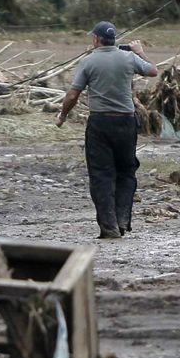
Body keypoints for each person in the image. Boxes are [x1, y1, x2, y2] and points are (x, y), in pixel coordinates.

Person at [57, 21, 158, 239]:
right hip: (126, 122)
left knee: (101, 174)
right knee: (126, 172)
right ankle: (122, 220)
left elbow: (73, 95)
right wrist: (141, 52)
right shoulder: (129, 58)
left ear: (95, 39)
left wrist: (62, 116)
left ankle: (109, 226)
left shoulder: (88, 61)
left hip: (100, 123)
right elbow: (153, 71)